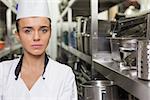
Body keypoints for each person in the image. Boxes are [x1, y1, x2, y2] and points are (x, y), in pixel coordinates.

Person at [0, 0, 77, 100]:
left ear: (50, 32)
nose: (36, 37)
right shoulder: (2, 72)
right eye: (28, 30)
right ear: (18, 35)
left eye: (43, 30)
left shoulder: (64, 75)